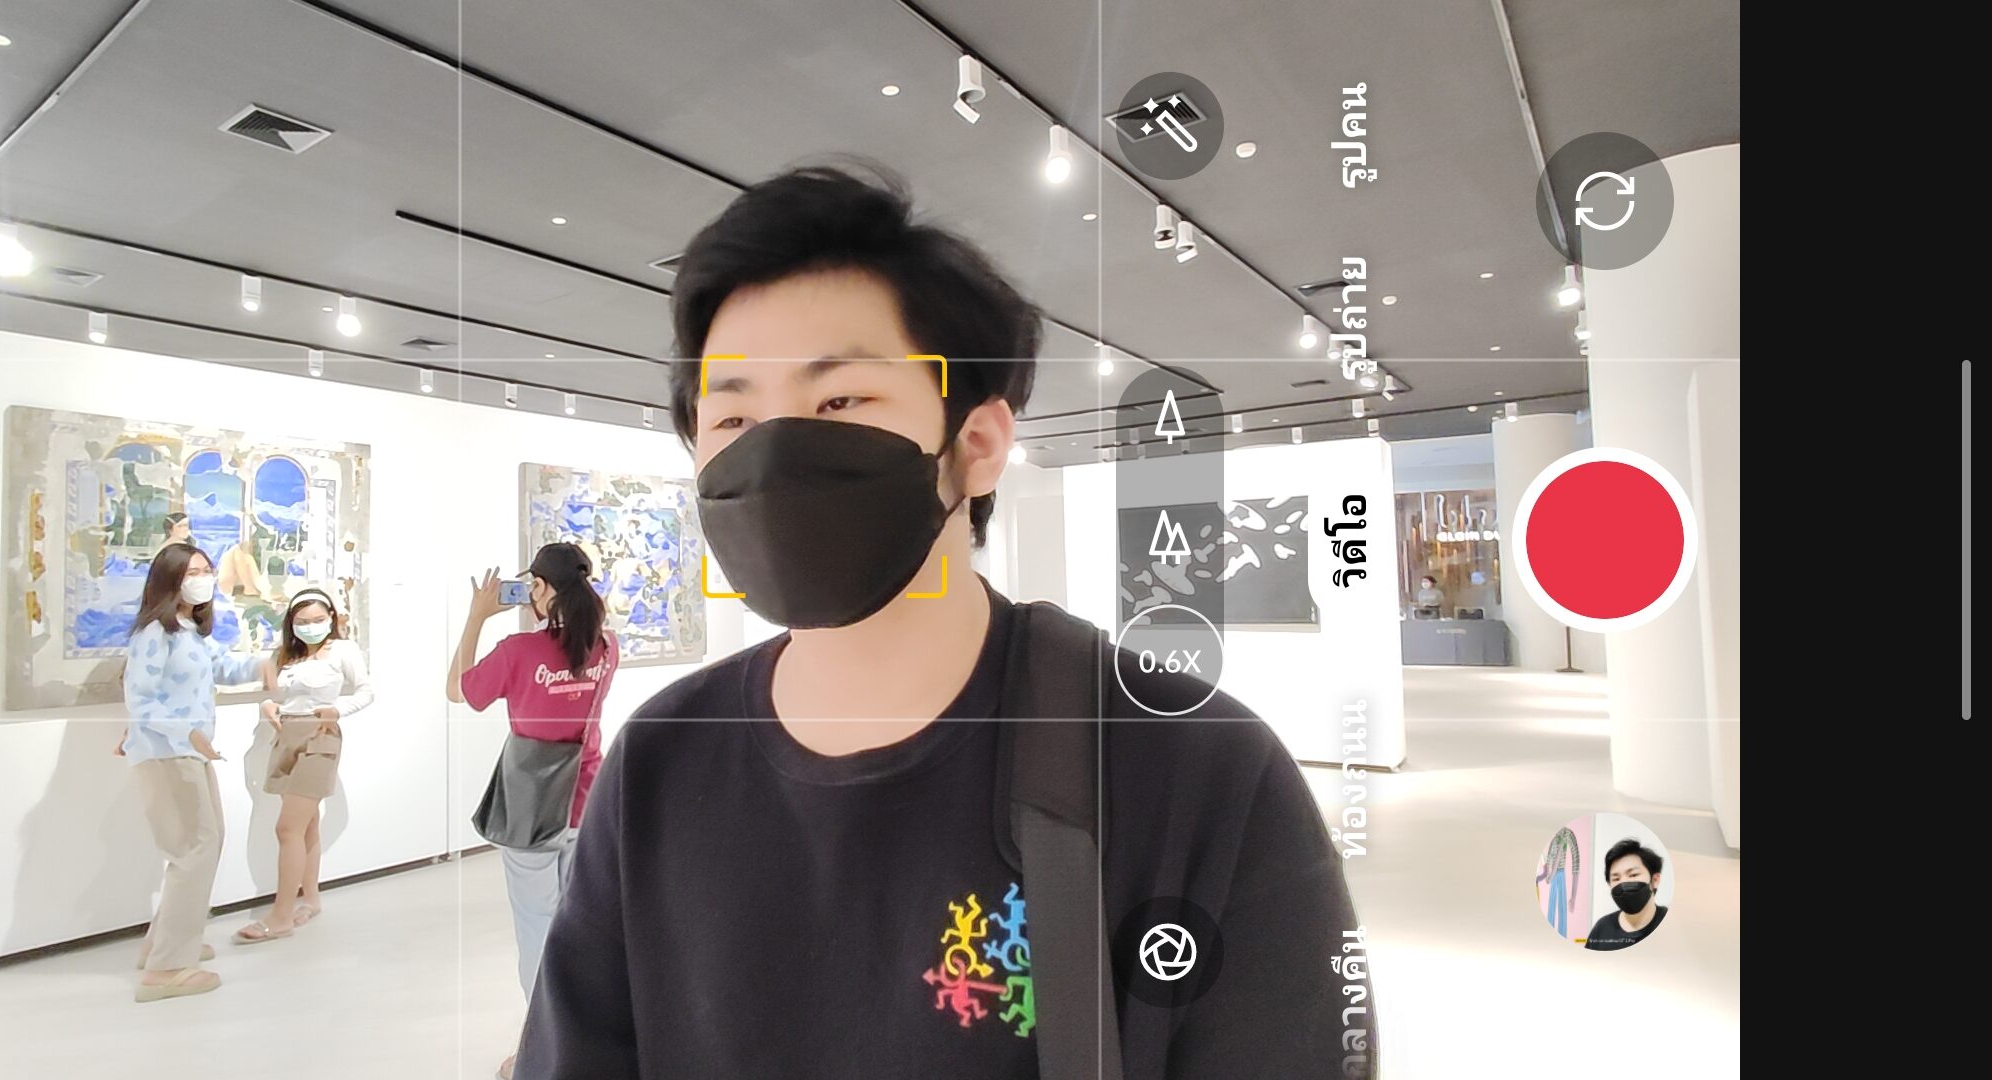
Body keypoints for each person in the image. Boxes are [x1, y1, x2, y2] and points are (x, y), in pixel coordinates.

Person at [515, 165, 1366, 1078]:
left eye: (840, 401)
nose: (772, 453)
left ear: (977, 444)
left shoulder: (1197, 770)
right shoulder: (660, 762)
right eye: (731, 418)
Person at [447, 543, 618, 1080]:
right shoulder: (606, 647)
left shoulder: (518, 650)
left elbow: (459, 690)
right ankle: (585, 1037)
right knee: (577, 923)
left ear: (539, 588)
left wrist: (477, 617)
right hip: (586, 797)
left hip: (531, 803)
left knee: (536, 929)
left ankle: (542, 1047)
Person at [116, 542, 266, 1002]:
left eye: (207, 570)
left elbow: (224, 666)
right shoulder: (154, 634)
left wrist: (270, 663)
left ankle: (165, 943)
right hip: (167, 753)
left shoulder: (190, 632)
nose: (204, 579)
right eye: (193, 572)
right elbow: (141, 700)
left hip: (189, 753)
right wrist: (188, 733)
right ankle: (166, 968)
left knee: (204, 842)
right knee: (194, 849)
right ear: (170, 580)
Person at [234, 588, 371, 945]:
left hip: (319, 737)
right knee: (306, 824)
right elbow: (276, 694)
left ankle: (280, 916)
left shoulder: (343, 650)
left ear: (331, 618)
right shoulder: (286, 655)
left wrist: (338, 710)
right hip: (285, 736)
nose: (311, 627)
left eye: (318, 620)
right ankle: (310, 900)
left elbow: (365, 691)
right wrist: (268, 705)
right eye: (303, 621)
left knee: (287, 828)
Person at [1585, 838, 1668, 951]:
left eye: (1633, 875)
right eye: (1616, 878)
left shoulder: (1671, 925)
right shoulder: (1602, 928)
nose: (1623, 883)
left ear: (1655, 880)